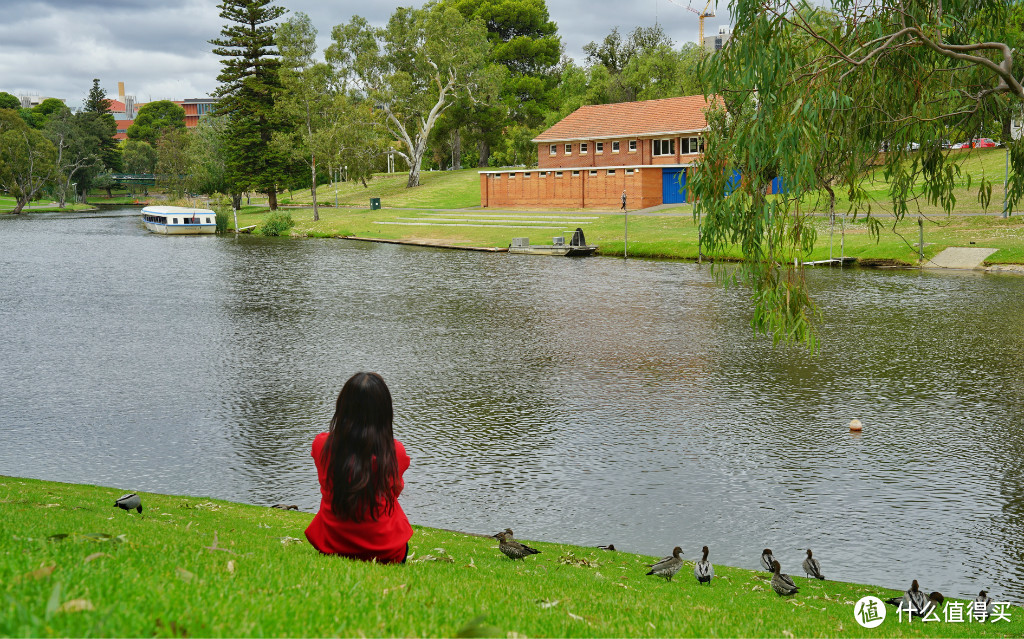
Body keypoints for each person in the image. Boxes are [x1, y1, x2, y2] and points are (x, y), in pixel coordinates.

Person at [304, 372, 413, 563]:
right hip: (386, 551)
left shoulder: (321, 445)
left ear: (343, 407)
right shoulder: (395, 452)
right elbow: (394, 492)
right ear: (385, 411)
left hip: (332, 545)